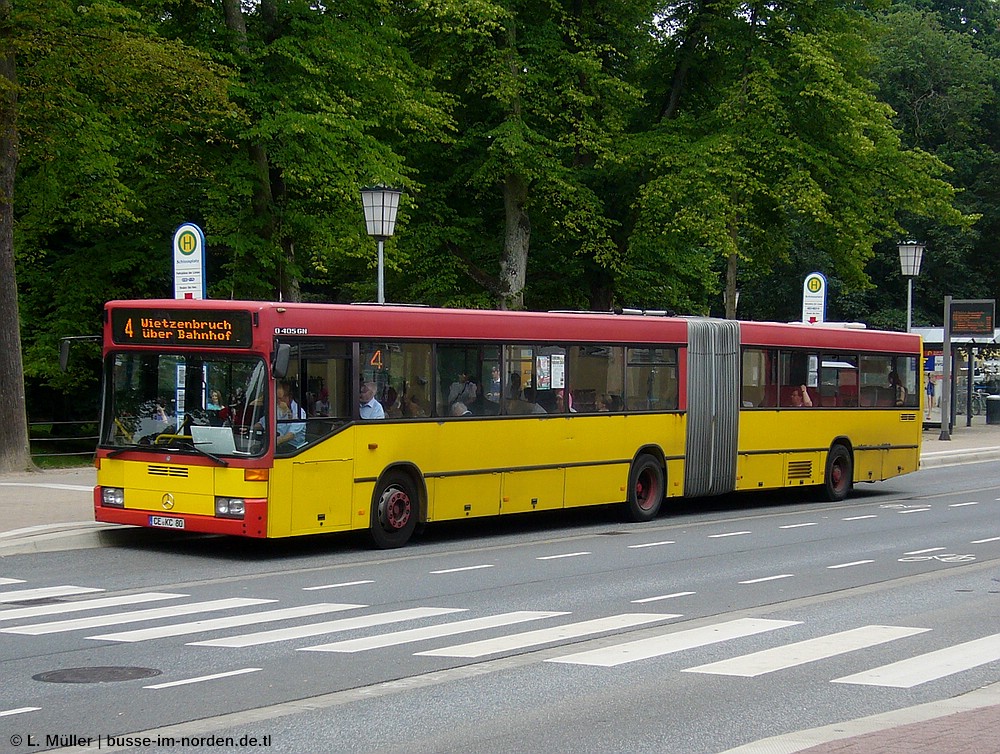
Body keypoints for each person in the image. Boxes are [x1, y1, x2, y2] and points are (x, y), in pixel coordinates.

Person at [274, 380, 306, 449]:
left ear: (289, 396)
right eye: (277, 399)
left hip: (294, 449)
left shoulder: (299, 412)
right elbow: (263, 423)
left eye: (280, 398)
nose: (278, 401)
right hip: (280, 445)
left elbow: (291, 434)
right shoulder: (277, 409)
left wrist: (277, 441)